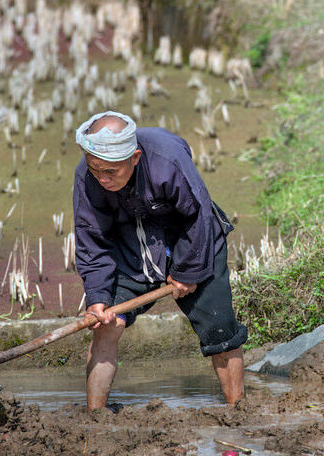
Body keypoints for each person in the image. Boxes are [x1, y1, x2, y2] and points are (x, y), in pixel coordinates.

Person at [72, 110, 248, 410]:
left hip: (192, 241)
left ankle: (238, 410)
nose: (102, 178)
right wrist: (98, 297)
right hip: (132, 246)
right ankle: (95, 417)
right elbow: (92, 240)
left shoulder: (168, 159)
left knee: (219, 329)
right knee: (106, 325)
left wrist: (188, 272)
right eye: (95, 170)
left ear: (135, 158)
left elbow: (199, 216)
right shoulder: (88, 176)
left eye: (111, 172)